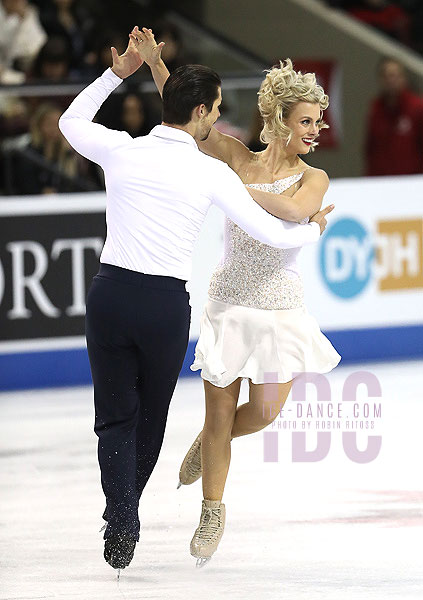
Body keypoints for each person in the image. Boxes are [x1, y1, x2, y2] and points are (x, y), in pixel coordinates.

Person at [58, 29, 332, 572]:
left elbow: (296, 210)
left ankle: (149, 493)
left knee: (137, 417)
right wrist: (311, 228)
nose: (316, 129)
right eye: (307, 120)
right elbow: (189, 120)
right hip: (196, 303)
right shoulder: (219, 166)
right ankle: (180, 506)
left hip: (156, 296)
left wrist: (121, 74)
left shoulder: (133, 151)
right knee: (179, 413)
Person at [365, 57, 423, 176]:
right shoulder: (376, 108)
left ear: (404, 78)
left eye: (395, 75)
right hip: (382, 179)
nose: (391, 80)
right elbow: (371, 148)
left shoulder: (417, 107)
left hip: (412, 180)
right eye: (386, 76)